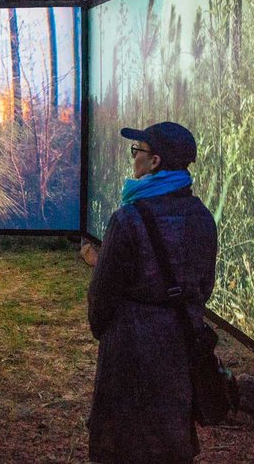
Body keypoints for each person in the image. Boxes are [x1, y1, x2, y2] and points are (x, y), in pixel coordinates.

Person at [86, 122, 218, 464]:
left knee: (122, 440)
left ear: (155, 161)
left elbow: (101, 297)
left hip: (130, 344)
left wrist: (108, 329)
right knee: (171, 435)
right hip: (180, 343)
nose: (134, 160)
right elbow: (204, 285)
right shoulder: (203, 217)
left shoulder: (127, 219)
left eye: (137, 151)